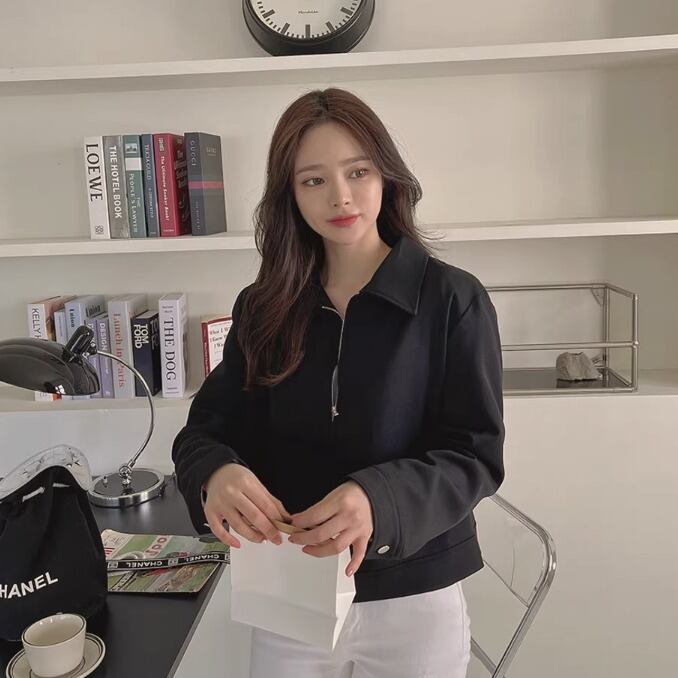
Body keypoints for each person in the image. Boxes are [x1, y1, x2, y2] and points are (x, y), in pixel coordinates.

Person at [172, 87, 505, 678]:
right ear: (290, 195)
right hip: (289, 588)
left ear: (387, 176)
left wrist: (378, 499)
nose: (340, 196)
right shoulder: (264, 306)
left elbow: (474, 455)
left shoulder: (453, 299)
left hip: (415, 592)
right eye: (314, 180)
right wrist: (215, 475)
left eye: (358, 171)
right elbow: (206, 430)